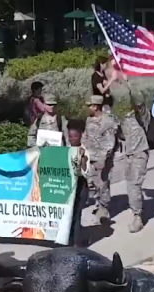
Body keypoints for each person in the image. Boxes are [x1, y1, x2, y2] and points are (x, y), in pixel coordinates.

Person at [116, 70, 150, 233]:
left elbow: (138, 100)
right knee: (130, 185)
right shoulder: (123, 117)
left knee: (135, 184)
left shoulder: (141, 115)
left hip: (140, 152)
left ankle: (138, 217)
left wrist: (129, 83)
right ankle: (137, 209)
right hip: (128, 153)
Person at [81, 95, 117, 223]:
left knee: (103, 184)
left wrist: (103, 159)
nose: (88, 108)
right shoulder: (89, 120)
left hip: (102, 159)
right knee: (92, 183)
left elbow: (110, 143)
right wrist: (82, 150)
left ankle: (104, 209)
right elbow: (85, 136)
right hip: (90, 157)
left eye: (90, 106)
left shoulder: (108, 121)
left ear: (96, 106)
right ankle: (98, 202)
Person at [65, 119, 90, 247]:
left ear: (80, 136)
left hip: (80, 186)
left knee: (77, 214)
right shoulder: (66, 150)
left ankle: (76, 243)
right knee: (68, 214)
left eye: (75, 137)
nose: (72, 139)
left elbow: (85, 172)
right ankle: (67, 239)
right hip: (67, 187)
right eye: (70, 136)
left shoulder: (84, 151)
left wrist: (82, 160)